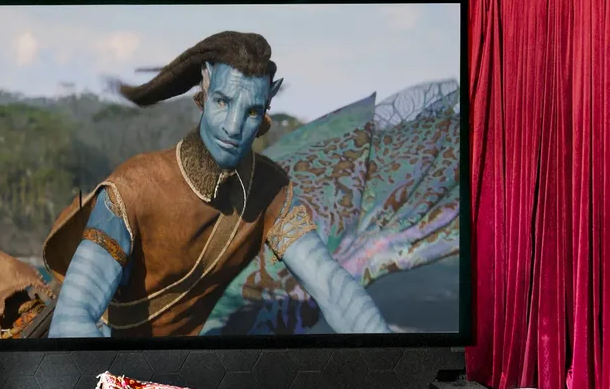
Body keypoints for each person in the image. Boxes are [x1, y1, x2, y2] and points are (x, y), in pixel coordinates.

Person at [43, 31, 390, 338]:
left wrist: (394, 357)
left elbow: (333, 288)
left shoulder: (270, 189)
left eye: (251, 112)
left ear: (266, 109)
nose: (234, 127)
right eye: (223, 102)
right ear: (205, 91)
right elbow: (71, 321)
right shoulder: (132, 188)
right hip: (115, 363)